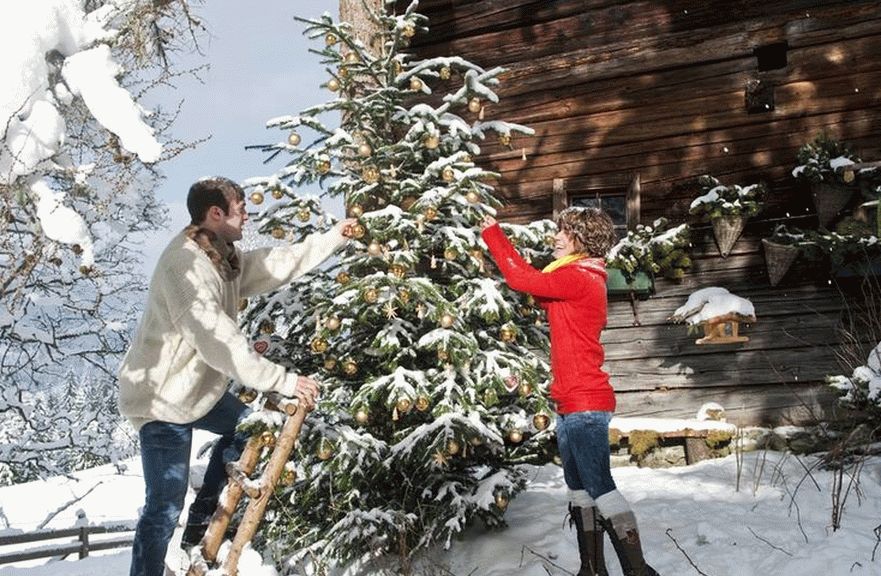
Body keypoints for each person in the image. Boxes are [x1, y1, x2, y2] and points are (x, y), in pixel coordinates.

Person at [118, 176, 355, 576]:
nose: (247, 211)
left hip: (196, 394)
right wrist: (284, 380)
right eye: (240, 205)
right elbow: (221, 344)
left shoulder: (222, 256)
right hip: (161, 399)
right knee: (163, 505)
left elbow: (273, 264)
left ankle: (198, 532)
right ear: (216, 213)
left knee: (248, 427)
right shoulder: (186, 267)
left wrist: (334, 238)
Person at [480, 208, 659, 576]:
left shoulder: (580, 276)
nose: (555, 238)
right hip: (568, 403)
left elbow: (519, 278)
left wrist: (493, 234)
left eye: (564, 232)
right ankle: (591, 569)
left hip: (585, 403)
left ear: (582, 239)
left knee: (599, 485)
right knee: (579, 489)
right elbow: (535, 287)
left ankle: (639, 571)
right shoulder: (574, 278)